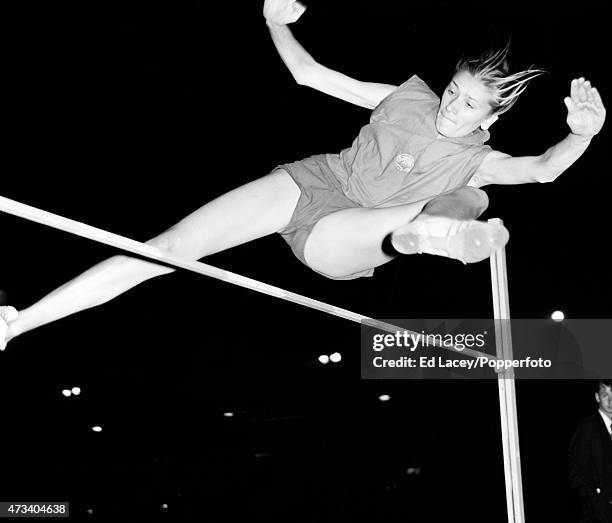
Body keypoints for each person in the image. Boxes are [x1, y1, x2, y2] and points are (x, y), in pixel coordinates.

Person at [0, 0, 606, 350]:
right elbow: (311, 75)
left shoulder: (479, 157)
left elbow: (546, 171)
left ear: (495, 114)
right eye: (453, 91)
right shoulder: (408, 97)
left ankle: (431, 232)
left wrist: (580, 134)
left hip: (351, 234)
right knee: (166, 248)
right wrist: (273, 20)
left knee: (467, 194)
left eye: (469, 104)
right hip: (315, 182)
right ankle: (18, 323)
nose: (451, 106)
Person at [569, 379, 612, 523]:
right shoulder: (588, 428)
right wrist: (595, 500)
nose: (610, 400)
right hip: (598, 514)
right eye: (605, 395)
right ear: (597, 397)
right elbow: (577, 472)